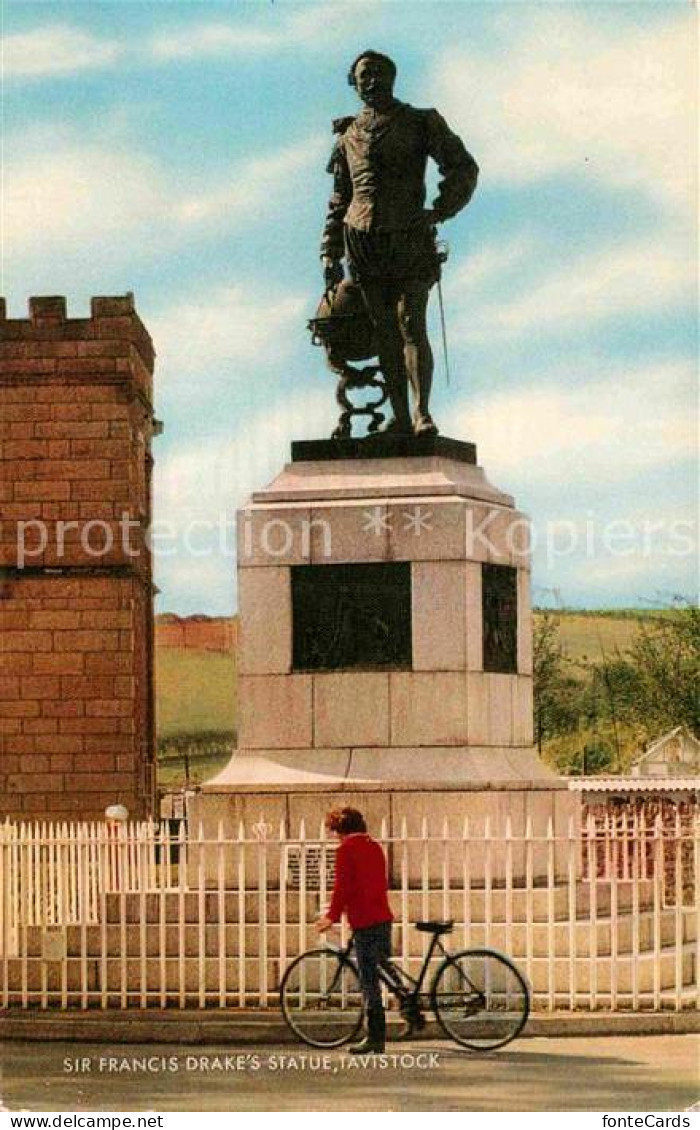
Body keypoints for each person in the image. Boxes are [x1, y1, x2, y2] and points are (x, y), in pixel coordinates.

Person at [321, 50, 479, 437]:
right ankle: (400, 418)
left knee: (411, 323)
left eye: (378, 73)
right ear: (354, 84)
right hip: (362, 239)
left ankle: (421, 413)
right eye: (363, 76)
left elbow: (463, 168)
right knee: (383, 331)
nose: (371, 81)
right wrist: (330, 251)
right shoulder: (348, 136)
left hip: (408, 235)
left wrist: (438, 211)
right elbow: (340, 198)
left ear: (392, 78)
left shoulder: (421, 121)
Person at [316, 806, 393, 1054]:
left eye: (334, 830)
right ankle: (410, 1008)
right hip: (382, 917)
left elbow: (343, 888)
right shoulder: (374, 846)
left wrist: (331, 916)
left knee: (369, 980)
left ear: (341, 829)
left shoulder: (346, 850)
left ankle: (376, 1038)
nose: (334, 836)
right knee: (384, 968)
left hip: (364, 920)